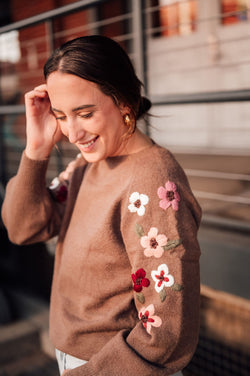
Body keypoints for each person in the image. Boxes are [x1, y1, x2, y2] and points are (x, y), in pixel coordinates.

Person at [1, 35, 201, 376]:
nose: (72, 133)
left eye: (85, 113)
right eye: (62, 116)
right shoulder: (85, 165)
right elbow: (23, 228)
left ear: (124, 102)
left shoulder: (152, 181)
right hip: (75, 358)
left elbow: (167, 325)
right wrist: (36, 149)